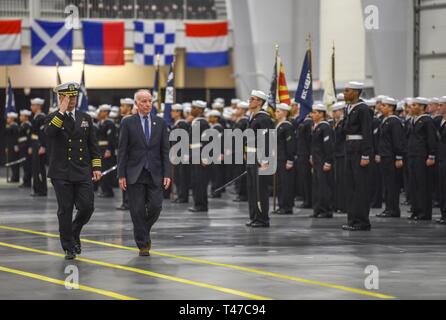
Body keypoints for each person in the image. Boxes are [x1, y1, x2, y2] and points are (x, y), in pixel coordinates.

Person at [44, 82, 102, 260]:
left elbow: (93, 145)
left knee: (87, 207)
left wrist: (97, 166)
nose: (72, 100)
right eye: (68, 97)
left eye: (74, 97)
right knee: (65, 210)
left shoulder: (85, 118)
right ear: (60, 98)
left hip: (82, 170)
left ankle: (74, 231)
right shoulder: (53, 117)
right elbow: (49, 133)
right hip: (61, 173)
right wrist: (61, 112)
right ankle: (68, 246)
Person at [117, 89, 171, 257]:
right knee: (137, 210)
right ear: (136, 104)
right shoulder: (128, 123)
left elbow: (165, 150)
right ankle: (143, 244)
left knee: (156, 206)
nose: (148, 104)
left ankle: (142, 230)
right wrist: (121, 175)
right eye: (144, 101)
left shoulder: (160, 123)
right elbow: (122, 151)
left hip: (155, 172)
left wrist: (167, 173)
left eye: (149, 101)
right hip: (135, 173)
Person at [342, 81, 373, 231]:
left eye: (347, 91)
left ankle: (362, 221)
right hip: (349, 149)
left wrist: (366, 154)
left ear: (356, 92)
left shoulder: (363, 109)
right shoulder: (348, 107)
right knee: (350, 187)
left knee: (360, 187)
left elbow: (367, 132)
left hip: (359, 150)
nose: (344, 93)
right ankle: (352, 219)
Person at [245, 90, 274, 228]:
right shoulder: (252, 117)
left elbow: (267, 140)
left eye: (252, 99)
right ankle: (254, 216)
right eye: (250, 98)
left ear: (260, 102)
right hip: (251, 157)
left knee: (260, 190)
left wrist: (265, 160)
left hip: (260, 158)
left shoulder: (264, 118)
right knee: (252, 189)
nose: (249, 101)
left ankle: (263, 219)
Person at [407, 97, 437, 221]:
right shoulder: (413, 120)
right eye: (412, 105)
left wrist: (431, 155)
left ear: (422, 107)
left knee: (422, 185)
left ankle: (424, 212)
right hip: (413, 155)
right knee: (414, 184)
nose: (412, 107)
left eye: (415, 105)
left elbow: (431, 139)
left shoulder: (427, 120)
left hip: (422, 156)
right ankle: (416, 210)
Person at [375, 97, 406, 218]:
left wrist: (399, 157)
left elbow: (398, 141)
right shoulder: (385, 120)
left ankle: (393, 209)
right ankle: (388, 208)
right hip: (385, 156)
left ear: (391, 107)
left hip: (392, 157)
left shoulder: (394, 121)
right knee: (387, 184)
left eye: (384, 105)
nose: (381, 107)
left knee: (392, 184)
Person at [310, 103, 334, 218]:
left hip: (323, 161)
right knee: (317, 186)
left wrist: (328, 162)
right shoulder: (317, 126)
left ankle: (326, 210)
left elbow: (328, 146)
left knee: (324, 187)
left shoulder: (325, 127)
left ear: (321, 114)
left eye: (315, 112)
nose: (312, 115)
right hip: (317, 160)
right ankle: (318, 209)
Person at [272, 103, 296, 215]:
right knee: (279, 184)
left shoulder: (287, 126)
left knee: (286, 183)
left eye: (279, 111)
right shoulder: (279, 125)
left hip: (284, 159)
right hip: (278, 158)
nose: (276, 113)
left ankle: (287, 206)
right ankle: (281, 205)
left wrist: (290, 160)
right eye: (276, 111)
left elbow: (290, 144)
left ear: (285, 112)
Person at [188, 100, 211, 212]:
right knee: (195, 181)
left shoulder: (202, 123)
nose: (191, 109)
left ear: (199, 110)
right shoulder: (196, 121)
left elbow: (207, 141)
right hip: (195, 155)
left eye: (193, 107)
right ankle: (198, 203)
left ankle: (201, 205)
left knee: (200, 182)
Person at [115, 98, 134, 210]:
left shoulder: (127, 120)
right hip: (127, 153)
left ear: (129, 107)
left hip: (128, 155)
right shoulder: (127, 119)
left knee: (126, 178)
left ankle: (127, 202)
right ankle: (126, 201)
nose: (121, 108)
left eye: (123, 106)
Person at [170, 103, 190, 203]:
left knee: (182, 176)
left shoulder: (182, 124)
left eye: (173, 111)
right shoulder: (177, 124)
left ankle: (183, 196)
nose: (171, 113)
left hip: (182, 154)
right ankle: (179, 194)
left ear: (178, 112)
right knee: (178, 176)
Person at [96, 104, 116, 198]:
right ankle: (104, 189)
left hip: (106, 149)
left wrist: (108, 149)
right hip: (100, 149)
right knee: (101, 169)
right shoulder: (102, 123)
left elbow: (111, 138)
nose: (99, 113)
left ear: (106, 113)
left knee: (106, 170)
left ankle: (108, 191)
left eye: (101, 111)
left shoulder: (109, 123)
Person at [30, 98, 48, 196]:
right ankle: (37, 188)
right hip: (35, 144)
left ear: (38, 106)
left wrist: (43, 146)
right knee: (36, 168)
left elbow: (43, 134)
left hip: (39, 145)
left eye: (33, 105)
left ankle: (41, 190)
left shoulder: (41, 117)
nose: (31, 107)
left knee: (40, 168)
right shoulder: (36, 117)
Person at [232, 101, 249, 202]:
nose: (236, 110)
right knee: (237, 172)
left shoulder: (244, 121)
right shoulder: (239, 121)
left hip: (241, 151)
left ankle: (243, 194)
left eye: (238, 109)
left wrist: (243, 151)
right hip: (236, 150)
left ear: (243, 110)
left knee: (241, 172)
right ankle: (240, 192)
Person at [331, 102, 347, 213]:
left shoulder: (344, 123)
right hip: (337, 154)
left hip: (343, 154)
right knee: (337, 181)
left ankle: (343, 205)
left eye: (335, 111)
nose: (333, 114)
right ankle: (338, 204)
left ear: (341, 111)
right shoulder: (337, 123)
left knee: (343, 181)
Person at [207, 110, 225, 198]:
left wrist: (221, 153)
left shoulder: (218, 128)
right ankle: (214, 190)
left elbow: (220, 142)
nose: (209, 118)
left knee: (216, 173)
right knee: (213, 173)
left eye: (211, 117)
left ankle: (216, 191)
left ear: (216, 118)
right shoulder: (213, 127)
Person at [18, 109, 33, 188]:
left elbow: (29, 138)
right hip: (22, 148)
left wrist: (30, 147)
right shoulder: (22, 125)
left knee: (27, 165)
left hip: (26, 148)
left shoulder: (28, 125)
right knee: (24, 165)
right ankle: (25, 181)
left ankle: (27, 182)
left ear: (26, 117)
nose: (20, 117)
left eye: (21, 116)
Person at [437, 96, 446, 225]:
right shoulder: (440, 121)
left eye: (441, 105)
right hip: (441, 157)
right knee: (442, 187)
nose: (439, 108)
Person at [5, 112, 20, 182]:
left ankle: (15, 177)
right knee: (11, 161)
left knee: (15, 162)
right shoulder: (10, 126)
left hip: (14, 147)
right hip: (10, 146)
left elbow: (16, 137)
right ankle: (14, 176)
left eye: (8, 118)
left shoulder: (15, 126)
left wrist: (16, 146)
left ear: (12, 119)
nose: (7, 119)